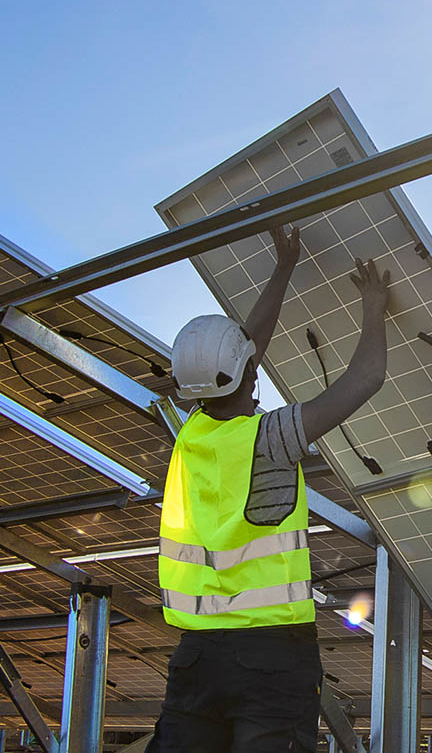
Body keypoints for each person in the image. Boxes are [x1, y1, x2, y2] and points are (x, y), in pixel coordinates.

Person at [147, 225, 392, 753]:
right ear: (247, 373)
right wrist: (375, 307)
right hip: (269, 657)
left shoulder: (192, 432)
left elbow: (244, 350)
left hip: (197, 659)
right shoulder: (270, 438)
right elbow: (367, 377)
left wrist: (284, 267)